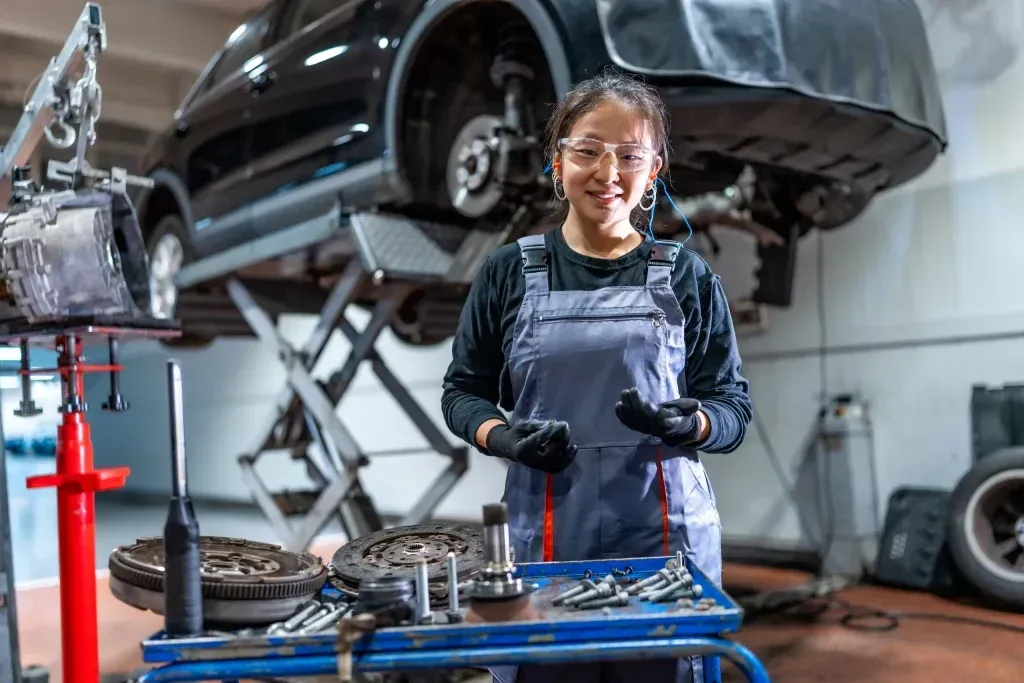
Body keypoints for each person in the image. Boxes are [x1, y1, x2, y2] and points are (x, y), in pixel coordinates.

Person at [440, 71, 753, 683]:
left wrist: (690, 421)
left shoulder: (688, 277)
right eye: (587, 150)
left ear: (654, 171)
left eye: (630, 155)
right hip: (547, 540)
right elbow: (462, 393)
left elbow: (732, 409)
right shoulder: (507, 273)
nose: (607, 173)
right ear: (557, 162)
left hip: (665, 550)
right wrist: (502, 438)